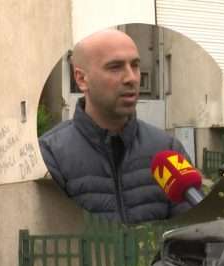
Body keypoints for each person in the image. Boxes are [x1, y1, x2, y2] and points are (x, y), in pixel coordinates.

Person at [39, 29, 194, 224]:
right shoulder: (50, 155)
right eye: (115, 67)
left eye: (135, 65)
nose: (132, 78)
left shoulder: (168, 150)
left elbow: (187, 231)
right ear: (81, 79)